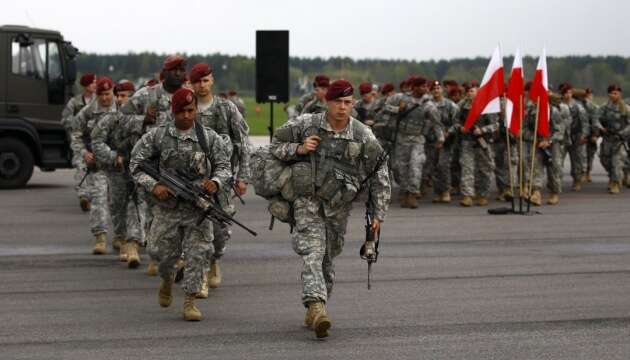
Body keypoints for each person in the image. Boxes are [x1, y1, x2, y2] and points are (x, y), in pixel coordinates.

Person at [269, 80, 391, 338]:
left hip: (339, 207)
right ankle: (316, 306)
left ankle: (318, 305)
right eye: (338, 102)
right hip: (308, 202)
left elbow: (379, 171)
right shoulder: (306, 124)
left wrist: (378, 214)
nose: (342, 107)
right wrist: (298, 148)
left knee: (328, 259)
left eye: (348, 103)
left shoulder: (362, 135)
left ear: (353, 104)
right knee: (313, 252)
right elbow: (275, 145)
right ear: (327, 101)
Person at [130, 88, 231, 321]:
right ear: (174, 112)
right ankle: (167, 278)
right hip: (168, 208)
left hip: (198, 208)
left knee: (198, 254)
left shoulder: (209, 138)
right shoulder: (158, 136)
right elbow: (136, 163)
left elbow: (224, 166)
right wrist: (154, 186)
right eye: (182, 111)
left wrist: (215, 182)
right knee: (159, 252)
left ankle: (190, 302)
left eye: (191, 110)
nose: (187, 115)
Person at [189, 63, 251, 296]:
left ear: (212, 81)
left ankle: (215, 259)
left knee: (221, 229)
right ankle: (201, 276)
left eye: (205, 80)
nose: (201, 86)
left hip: (222, 180)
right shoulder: (186, 108)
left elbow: (244, 144)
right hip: (193, 182)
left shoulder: (227, 109)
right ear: (191, 83)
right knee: (197, 230)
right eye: (197, 82)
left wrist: (243, 177)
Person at [91, 79, 145, 267]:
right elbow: (96, 142)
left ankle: (133, 242)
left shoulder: (142, 118)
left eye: (126, 96)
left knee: (137, 204)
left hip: (139, 170)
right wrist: (114, 156)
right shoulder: (110, 119)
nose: (122, 100)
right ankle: (121, 236)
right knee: (117, 205)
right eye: (120, 96)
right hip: (116, 171)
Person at [70, 77, 118, 254]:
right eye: (101, 94)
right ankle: (100, 237)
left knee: (118, 202)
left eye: (107, 94)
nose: (105, 98)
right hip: (97, 163)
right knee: (98, 200)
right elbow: (75, 133)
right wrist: (84, 153)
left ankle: (121, 237)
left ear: (113, 91)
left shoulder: (122, 108)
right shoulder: (88, 111)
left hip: (117, 163)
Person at [61, 73, 97, 212]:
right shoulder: (75, 102)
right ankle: (83, 196)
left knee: (95, 169)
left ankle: (94, 195)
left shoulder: (98, 101)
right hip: (80, 140)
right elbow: (64, 120)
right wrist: (79, 121)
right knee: (81, 166)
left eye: (96, 82)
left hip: (95, 141)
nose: (95, 84)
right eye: (93, 82)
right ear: (86, 85)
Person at [593, 84, 630, 194]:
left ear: (620, 94)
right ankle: (615, 176)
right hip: (607, 138)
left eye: (616, 93)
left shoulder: (625, 108)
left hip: (619, 140)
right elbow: (595, 119)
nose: (614, 95)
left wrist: (623, 133)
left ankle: (615, 183)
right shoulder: (604, 107)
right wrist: (601, 128)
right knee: (605, 160)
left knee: (617, 162)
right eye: (612, 93)